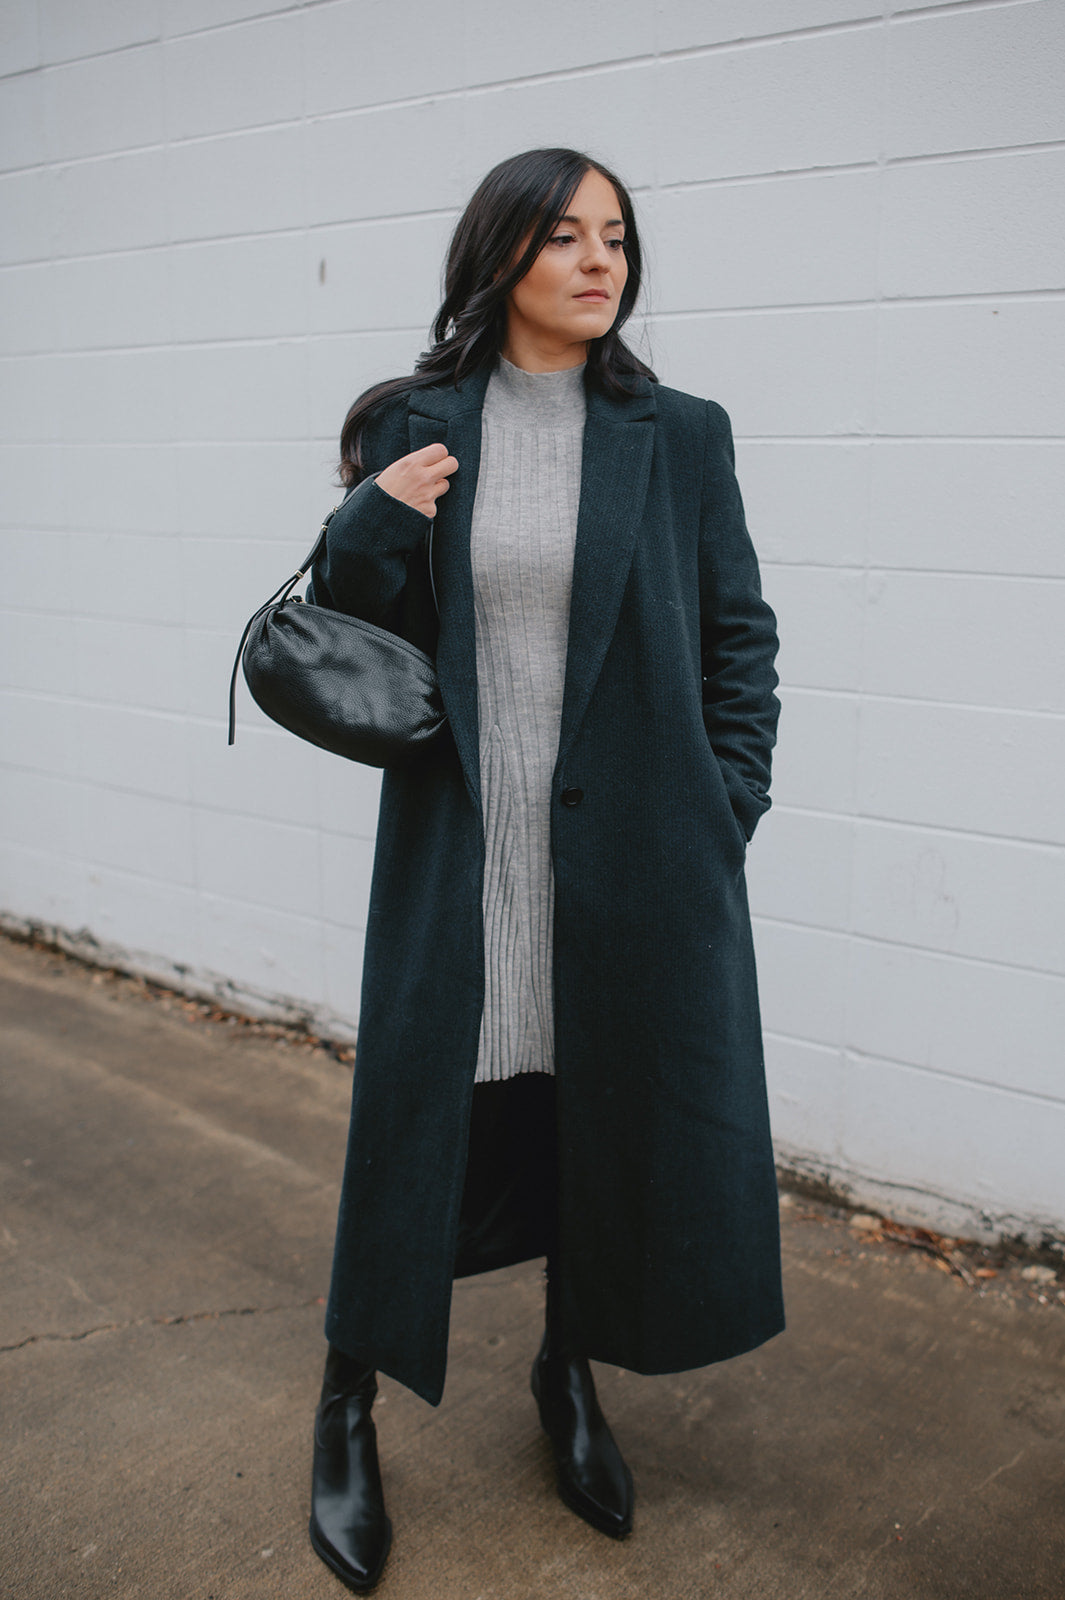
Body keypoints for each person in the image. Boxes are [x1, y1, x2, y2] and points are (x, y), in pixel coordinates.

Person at [304, 147, 784, 1593]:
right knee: (416, 1130)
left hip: (634, 863)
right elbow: (348, 630)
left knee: (597, 1113)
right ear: (500, 253)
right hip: (463, 853)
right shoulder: (415, 421)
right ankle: (346, 1403)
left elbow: (739, 635)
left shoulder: (678, 433)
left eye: (616, 238)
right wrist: (374, 515)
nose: (598, 262)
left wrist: (726, 806)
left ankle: (564, 1373)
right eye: (566, 236)